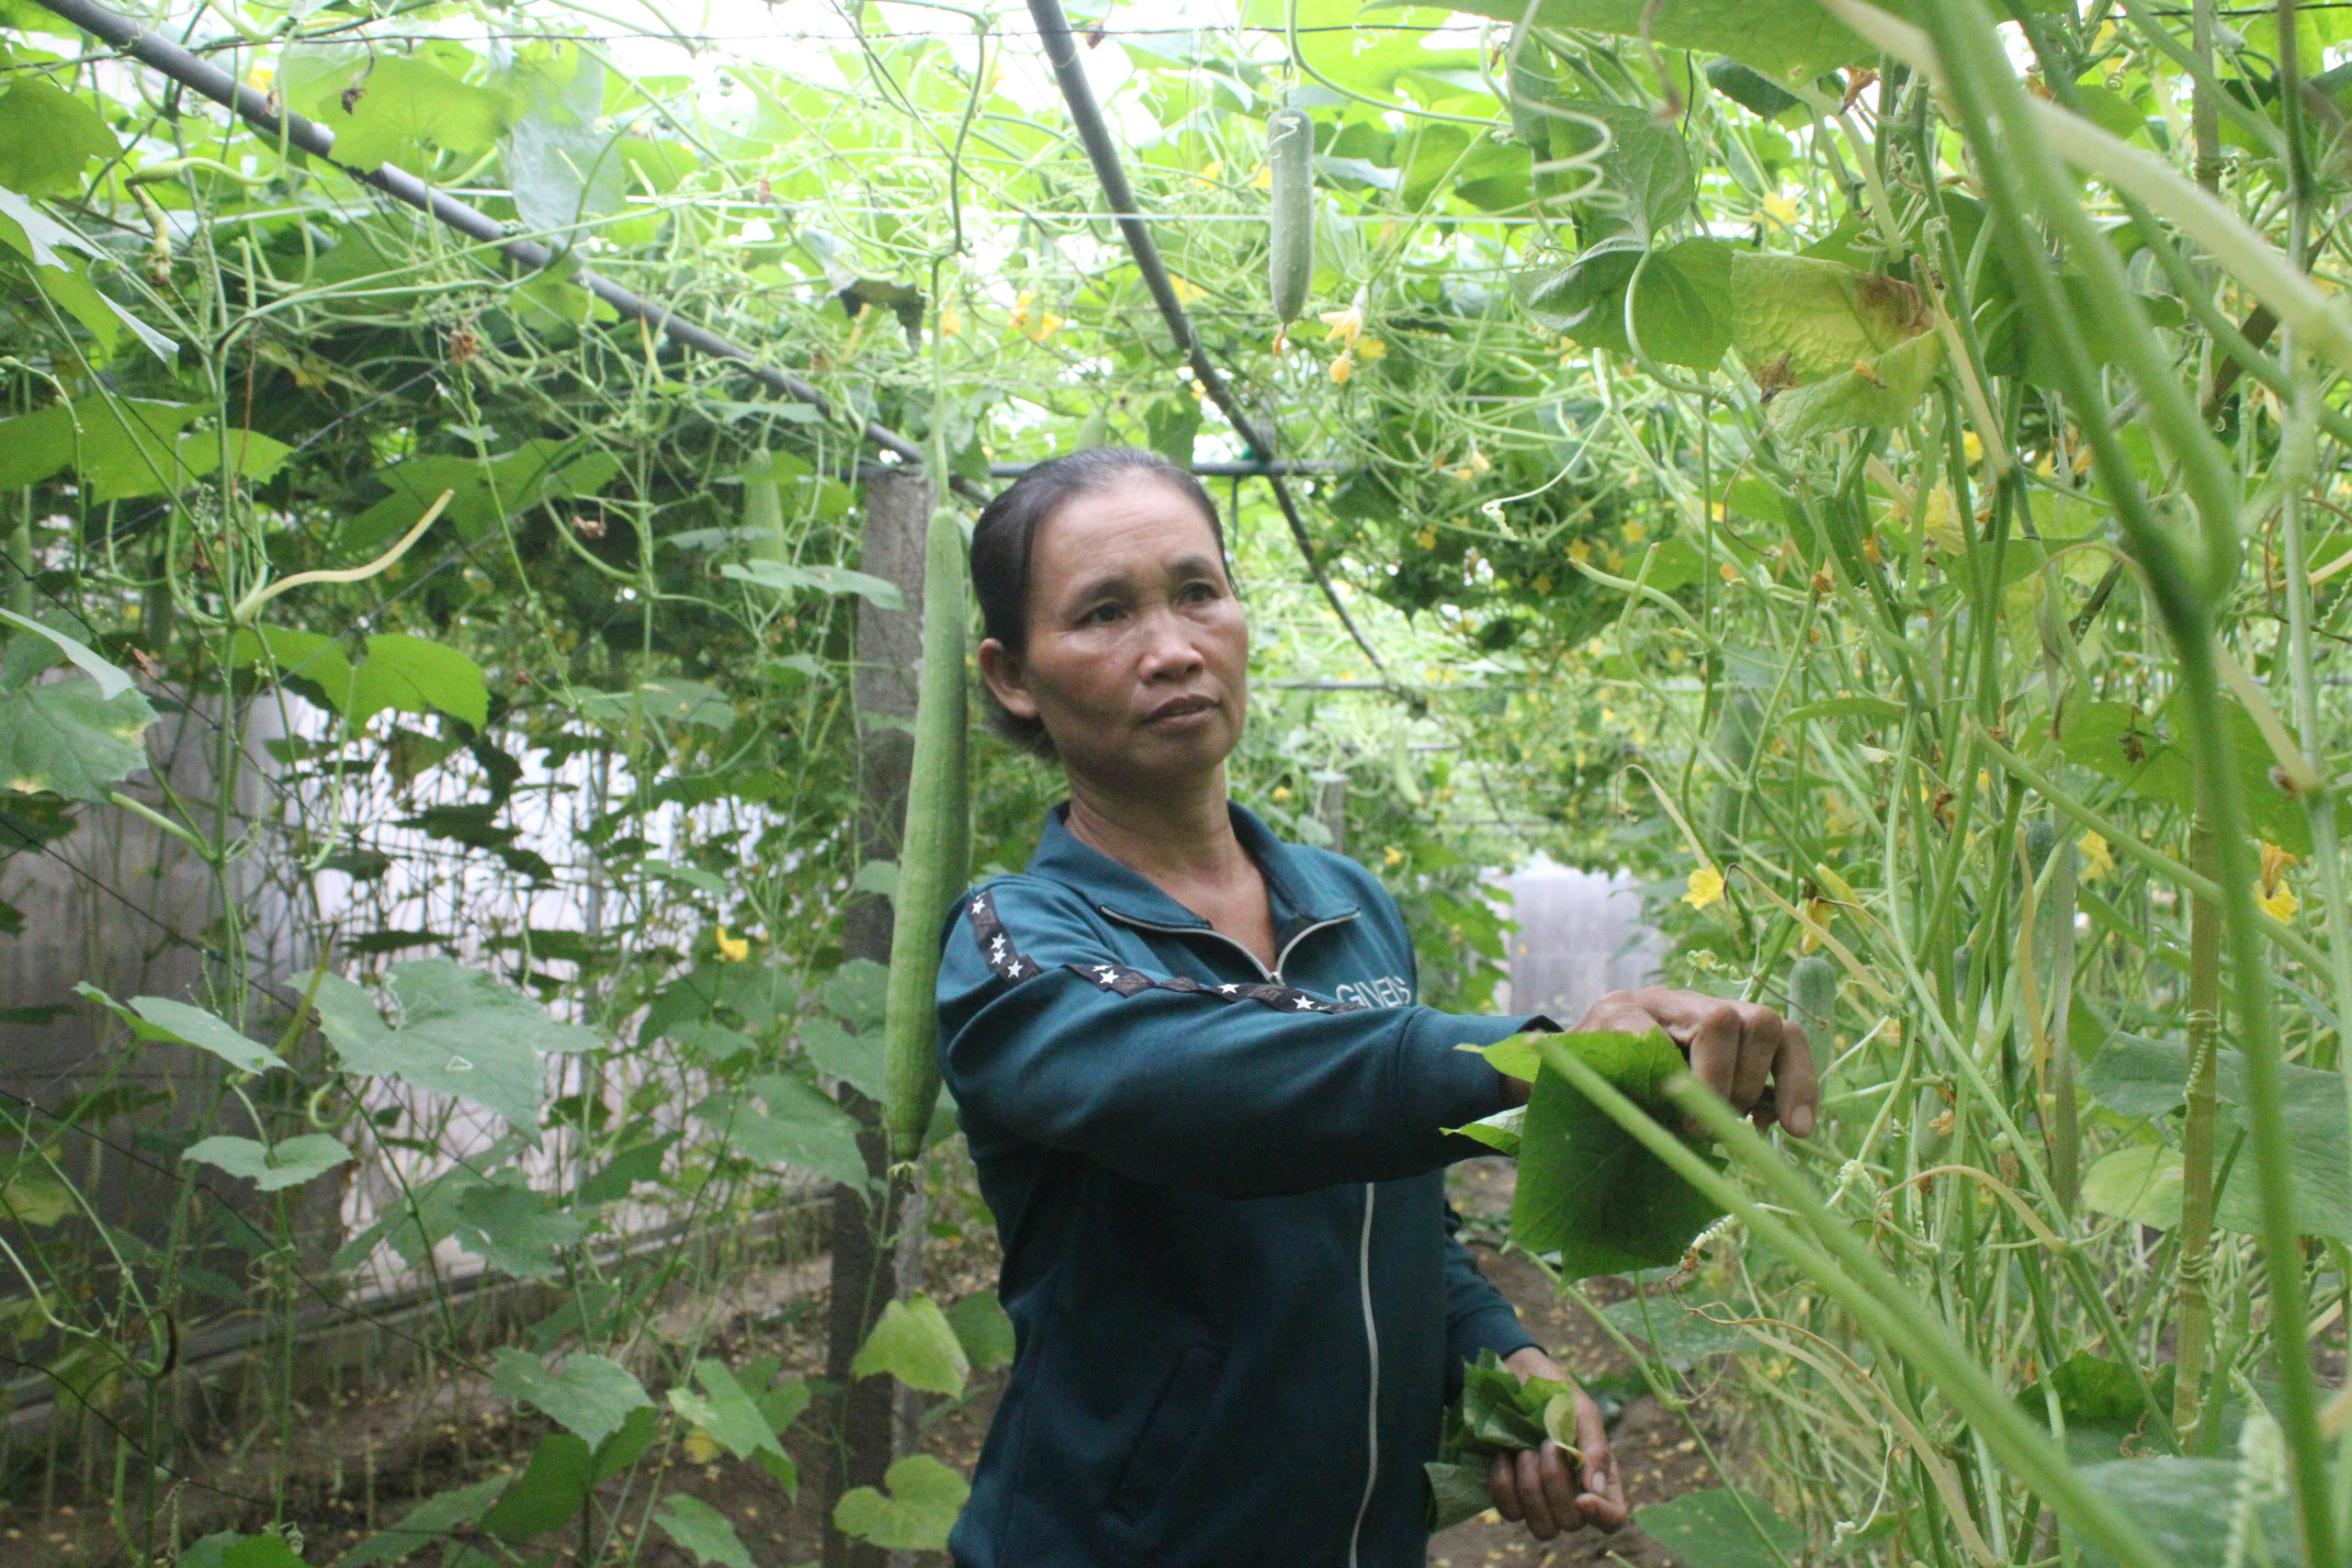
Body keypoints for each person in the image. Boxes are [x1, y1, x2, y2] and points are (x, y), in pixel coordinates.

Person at [933, 448, 1818, 1568]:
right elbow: (1195, 1083)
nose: (1172, 650)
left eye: (1197, 592)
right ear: (1014, 677)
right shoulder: (1014, 939)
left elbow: (1399, 1210)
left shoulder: (1344, 903)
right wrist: (1536, 1058)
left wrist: (1495, 1352)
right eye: (1104, 614)